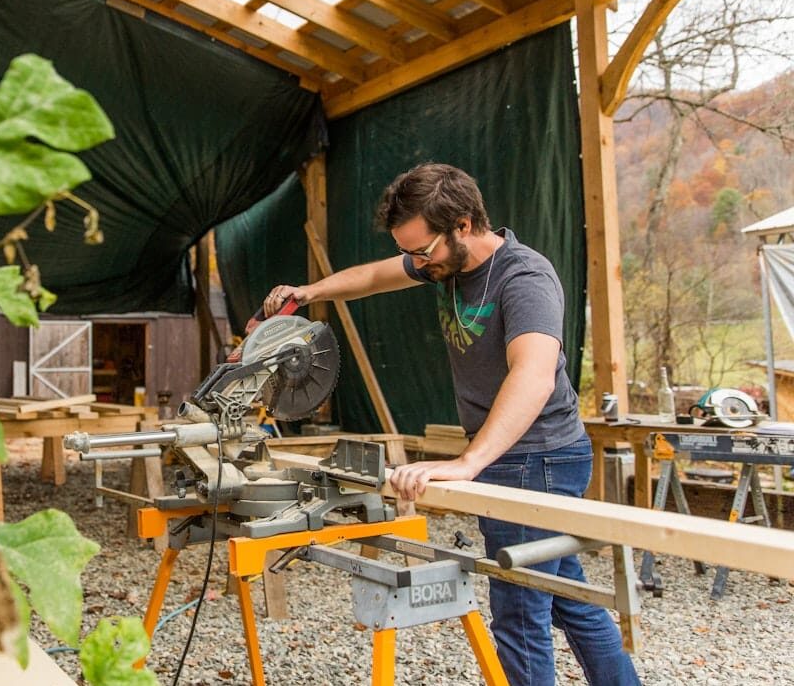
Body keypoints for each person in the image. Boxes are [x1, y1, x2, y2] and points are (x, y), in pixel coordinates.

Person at [263, 163, 639, 686]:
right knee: (566, 597)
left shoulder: (524, 277)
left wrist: (469, 461)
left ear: (463, 224)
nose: (417, 263)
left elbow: (534, 377)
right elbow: (374, 276)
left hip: (540, 457)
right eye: (411, 252)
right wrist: (310, 292)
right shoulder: (445, 261)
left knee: (519, 616)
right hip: (511, 454)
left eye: (423, 250)